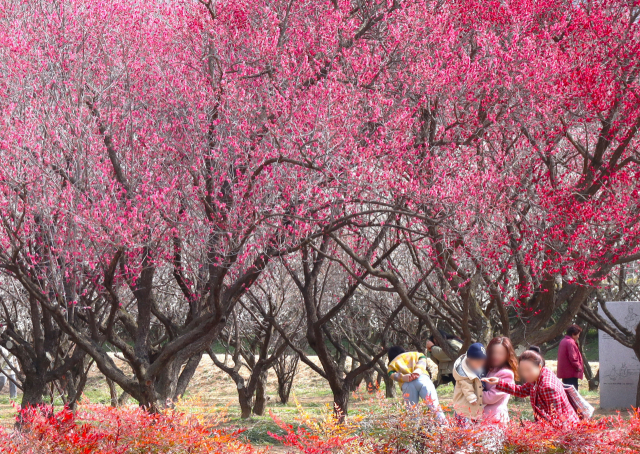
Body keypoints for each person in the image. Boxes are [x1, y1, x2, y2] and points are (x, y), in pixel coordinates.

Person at [482, 346, 579, 425]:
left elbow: (555, 419)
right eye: (523, 370)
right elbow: (522, 391)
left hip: (565, 429)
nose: (525, 374)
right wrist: (499, 382)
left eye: (528, 370)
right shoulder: (539, 375)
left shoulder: (547, 387)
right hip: (554, 426)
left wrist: (531, 427)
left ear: (539, 366)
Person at [387, 346, 445, 421]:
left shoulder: (392, 363)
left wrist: (403, 377)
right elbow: (423, 358)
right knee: (435, 407)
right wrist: (418, 370)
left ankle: (415, 430)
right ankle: (445, 427)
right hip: (422, 379)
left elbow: (391, 374)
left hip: (407, 384)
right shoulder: (416, 354)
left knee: (412, 412)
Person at [482, 337, 518, 423]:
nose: (496, 356)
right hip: (483, 418)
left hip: (495, 419)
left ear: (508, 355)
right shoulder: (489, 369)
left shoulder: (506, 373)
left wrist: (470, 394)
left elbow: (490, 397)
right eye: (494, 352)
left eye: (501, 353)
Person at [452, 342, 486, 425]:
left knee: (474, 433)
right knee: (463, 433)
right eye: (478, 362)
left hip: (473, 410)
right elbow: (466, 385)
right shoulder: (463, 371)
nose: (480, 364)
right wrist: (471, 397)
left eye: (482, 362)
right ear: (469, 360)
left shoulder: (476, 367)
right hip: (464, 409)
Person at [557, 325, 584, 390]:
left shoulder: (563, 341)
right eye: (578, 334)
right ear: (573, 334)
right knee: (573, 392)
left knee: (567, 391)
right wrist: (579, 367)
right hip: (571, 372)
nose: (578, 336)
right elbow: (573, 357)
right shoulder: (570, 342)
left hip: (565, 372)